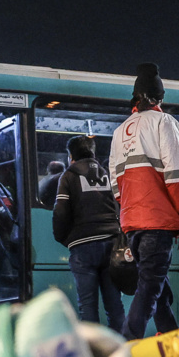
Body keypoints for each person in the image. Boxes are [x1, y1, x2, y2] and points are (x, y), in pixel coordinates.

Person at [109, 63, 179, 340]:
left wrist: (129, 213)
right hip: (157, 221)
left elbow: (115, 182)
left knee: (159, 288)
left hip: (132, 223)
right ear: (159, 98)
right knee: (149, 288)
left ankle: (174, 345)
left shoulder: (120, 131)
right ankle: (128, 346)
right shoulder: (164, 122)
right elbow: (177, 174)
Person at [53, 136, 125, 333]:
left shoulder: (68, 176)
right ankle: (123, 350)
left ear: (71, 156)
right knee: (114, 304)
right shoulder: (107, 174)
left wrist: (63, 238)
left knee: (88, 306)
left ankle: (95, 355)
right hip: (111, 244)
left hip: (83, 247)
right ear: (93, 153)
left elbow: (60, 212)